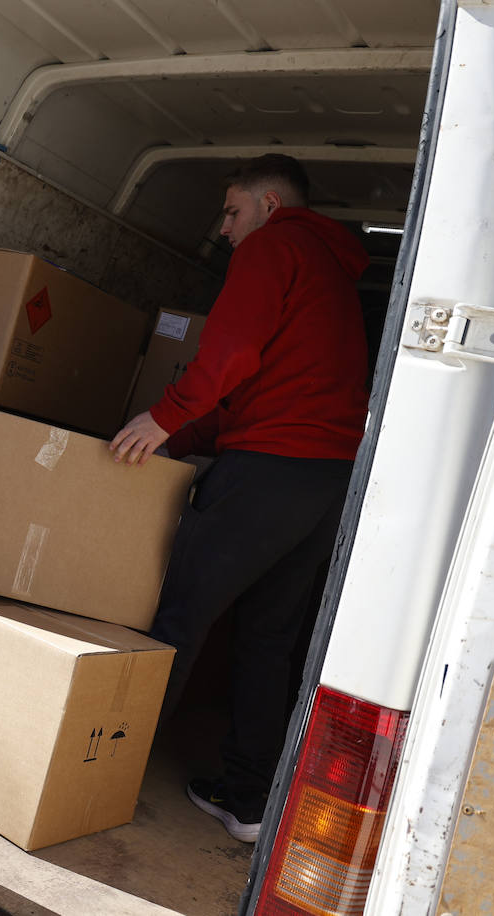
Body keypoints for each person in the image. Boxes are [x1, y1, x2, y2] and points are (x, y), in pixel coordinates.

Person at [109, 154, 371, 843]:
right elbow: (263, 385)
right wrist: (185, 430)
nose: (224, 229)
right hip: (325, 480)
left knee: (178, 616)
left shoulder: (274, 247)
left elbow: (230, 351)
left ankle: (99, 769)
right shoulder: (330, 274)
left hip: (270, 466)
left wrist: (165, 416)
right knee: (269, 637)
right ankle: (249, 799)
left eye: (232, 211)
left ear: (270, 206)